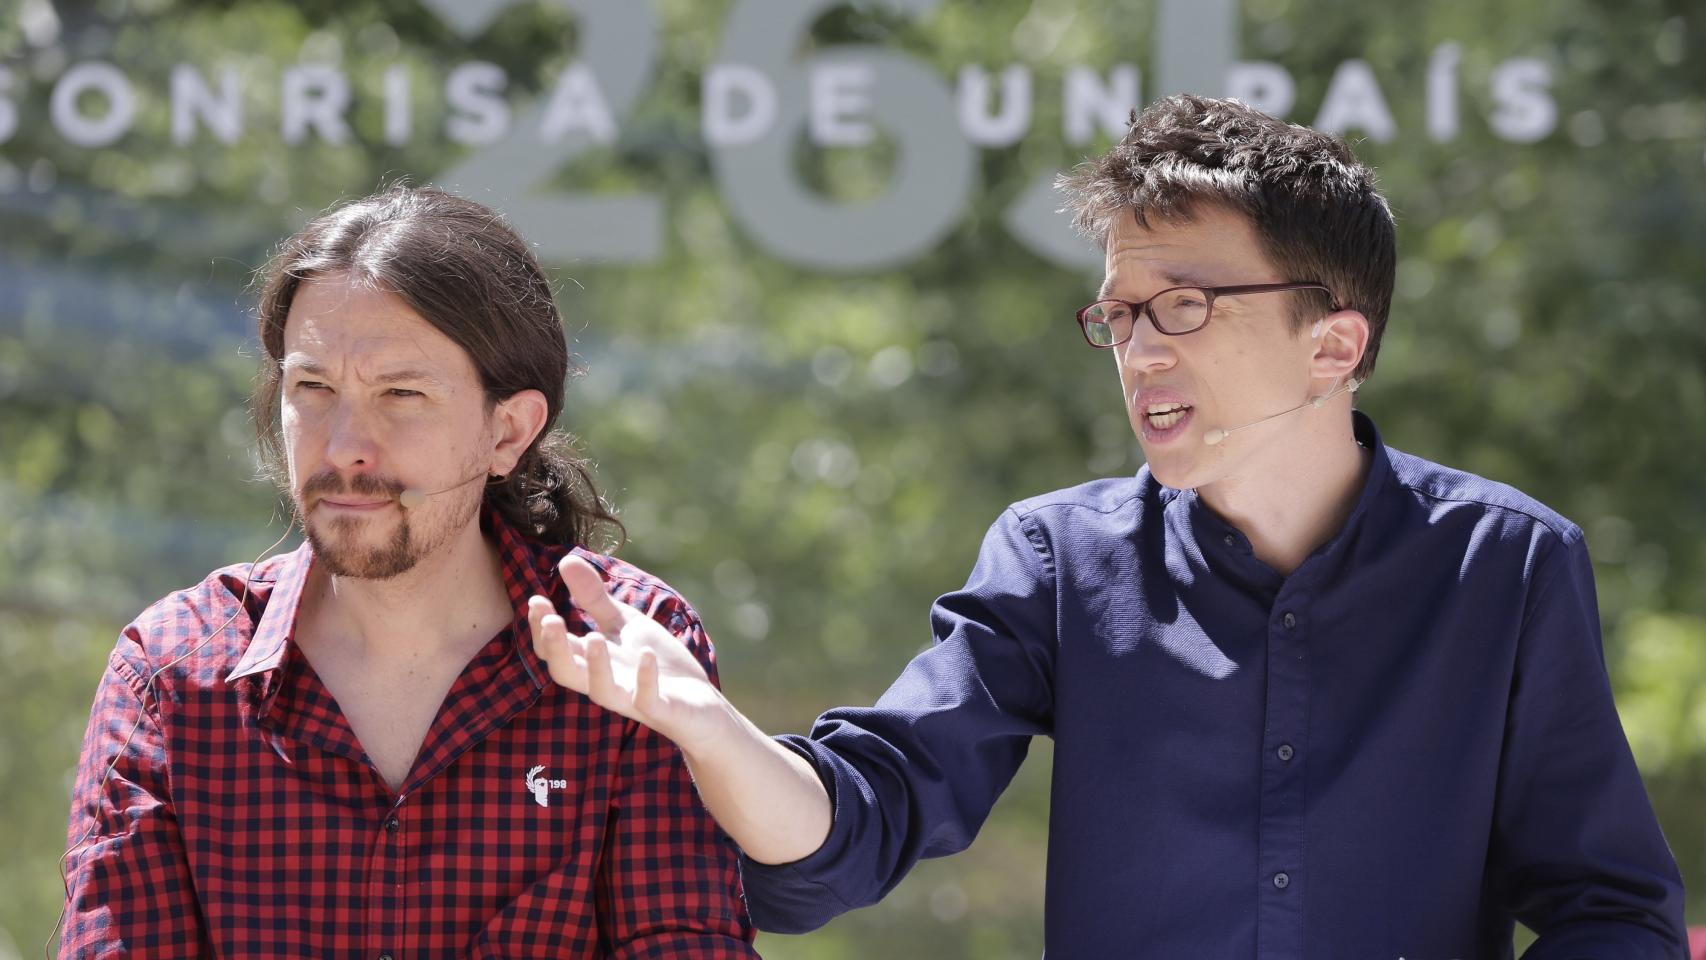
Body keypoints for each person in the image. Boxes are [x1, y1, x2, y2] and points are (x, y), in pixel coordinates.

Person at [530, 96, 1687, 958]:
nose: (1139, 350)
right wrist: (705, 723)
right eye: (1120, 314)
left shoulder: (1507, 563)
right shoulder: (1056, 561)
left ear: (1332, 344)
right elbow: (856, 829)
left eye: (1182, 305)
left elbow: (1609, 911)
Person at [58, 186, 758, 958]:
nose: (345, 445)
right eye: (313, 389)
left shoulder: (625, 656)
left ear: (509, 430)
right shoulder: (172, 677)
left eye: (401, 394)